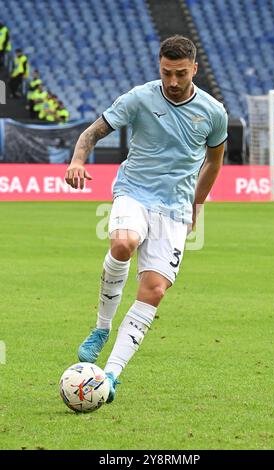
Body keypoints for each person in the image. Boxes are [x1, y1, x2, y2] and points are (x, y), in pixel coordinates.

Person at [64, 35, 228, 404]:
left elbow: (214, 162)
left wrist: (197, 207)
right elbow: (93, 132)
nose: (172, 81)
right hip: (134, 191)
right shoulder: (139, 97)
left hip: (175, 209)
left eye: (181, 74)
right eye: (167, 72)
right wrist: (77, 160)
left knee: (153, 290)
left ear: (194, 70)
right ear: (159, 67)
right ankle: (101, 328)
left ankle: (111, 375)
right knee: (123, 242)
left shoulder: (213, 112)